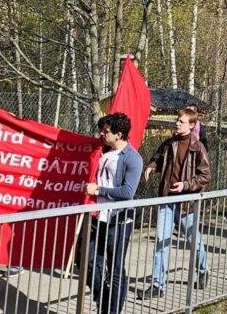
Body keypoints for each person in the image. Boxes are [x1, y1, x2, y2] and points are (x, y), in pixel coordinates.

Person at [138, 108, 210, 300]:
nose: (177, 123)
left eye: (181, 121)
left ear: (192, 125)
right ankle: (157, 284)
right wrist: (151, 167)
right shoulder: (169, 143)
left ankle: (203, 269)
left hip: (186, 202)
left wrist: (186, 185)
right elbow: (157, 159)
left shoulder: (198, 147)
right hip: (167, 199)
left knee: (193, 240)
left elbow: (205, 176)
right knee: (162, 241)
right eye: (177, 120)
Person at [83, 113, 143, 314]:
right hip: (97, 218)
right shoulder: (102, 152)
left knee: (115, 269)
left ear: (118, 134)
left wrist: (99, 190)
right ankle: (104, 302)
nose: (102, 133)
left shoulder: (132, 158)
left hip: (118, 220)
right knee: (89, 262)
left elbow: (127, 192)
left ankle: (113, 310)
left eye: (106, 131)